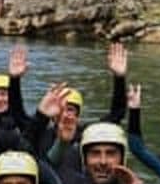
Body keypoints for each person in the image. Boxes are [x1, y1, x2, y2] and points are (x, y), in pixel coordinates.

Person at [21, 42, 128, 174]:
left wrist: (119, 78)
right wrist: (41, 115)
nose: (65, 114)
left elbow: (117, 114)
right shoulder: (40, 133)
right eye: (60, 108)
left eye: (70, 109)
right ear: (52, 114)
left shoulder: (87, 134)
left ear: (78, 115)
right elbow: (23, 147)